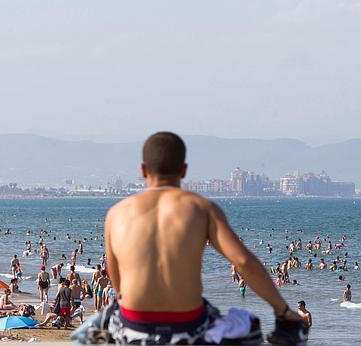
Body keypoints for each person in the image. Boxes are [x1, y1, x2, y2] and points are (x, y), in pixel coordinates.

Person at [96, 132, 306, 345]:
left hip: (133, 326)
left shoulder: (116, 214)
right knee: (248, 323)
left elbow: (117, 282)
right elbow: (243, 262)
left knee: (96, 328)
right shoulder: (201, 208)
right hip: (188, 327)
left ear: (142, 170)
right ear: (184, 170)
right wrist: (283, 310)